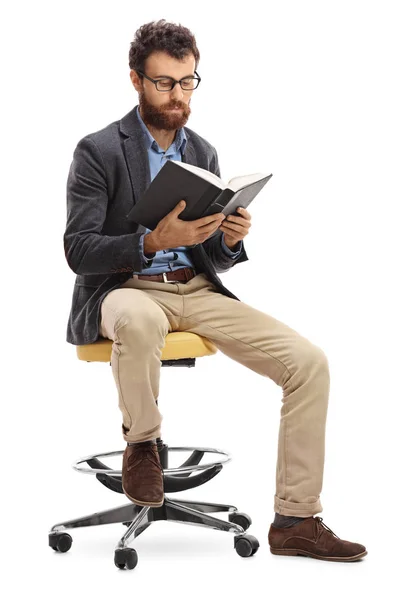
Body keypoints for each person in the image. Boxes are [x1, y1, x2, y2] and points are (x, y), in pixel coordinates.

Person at [64, 19, 367, 562]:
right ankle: (143, 446)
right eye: (164, 83)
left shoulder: (202, 151)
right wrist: (153, 241)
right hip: (126, 287)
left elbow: (211, 256)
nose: (178, 95)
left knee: (309, 361)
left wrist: (230, 238)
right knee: (140, 320)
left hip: (198, 291)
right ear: (136, 80)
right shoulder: (99, 150)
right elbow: (79, 250)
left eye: (187, 82)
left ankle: (296, 518)